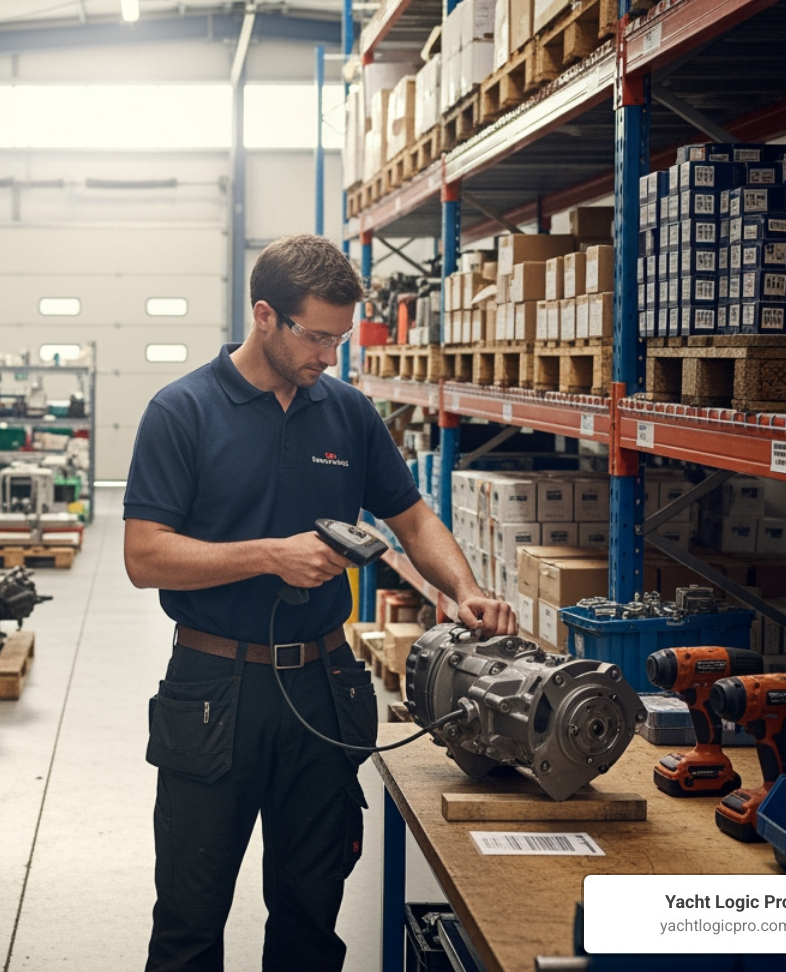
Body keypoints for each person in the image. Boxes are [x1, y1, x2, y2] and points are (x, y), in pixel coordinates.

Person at [123, 234, 515, 972]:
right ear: (264, 315)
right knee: (189, 923)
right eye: (317, 336)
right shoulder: (182, 411)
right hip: (213, 693)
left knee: (311, 920)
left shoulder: (347, 412)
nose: (329, 356)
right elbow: (144, 556)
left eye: (340, 338)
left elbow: (412, 519)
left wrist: (464, 590)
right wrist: (272, 555)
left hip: (324, 687)